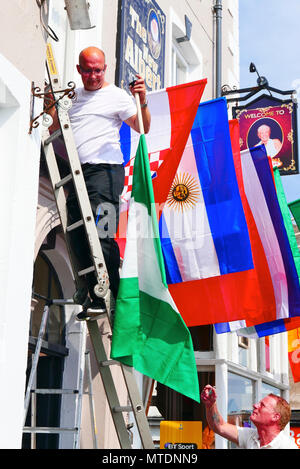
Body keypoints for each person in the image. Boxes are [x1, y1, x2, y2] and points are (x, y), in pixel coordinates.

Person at [50, 46, 151, 320]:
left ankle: (109, 294)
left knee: (102, 230)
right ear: (79, 70)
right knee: (75, 232)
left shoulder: (117, 96)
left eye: (98, 70)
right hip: (77, 174)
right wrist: (50, 105)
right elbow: (54, 129)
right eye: (88, 71)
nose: (93, 76)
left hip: (106, 173)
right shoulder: (74, 97)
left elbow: (142, 127)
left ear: (104, 69)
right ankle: (90, 291)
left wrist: (141, 99)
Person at [201, 384, 298, 449]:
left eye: (262, 405)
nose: (255, 405)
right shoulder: (251, 436)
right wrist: (210, 405)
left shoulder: (287, 446)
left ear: (275, 417)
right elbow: (220, 426)